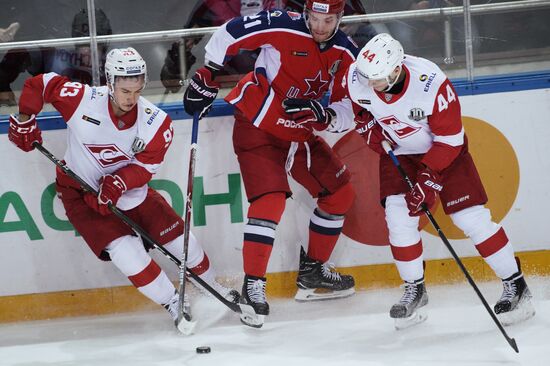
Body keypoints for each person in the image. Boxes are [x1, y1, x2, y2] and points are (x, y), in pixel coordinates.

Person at [7, 47, 239, 334]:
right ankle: (172, 302)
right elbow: (38, 84)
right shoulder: (82, 100)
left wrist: (119, 183)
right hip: (79, 192)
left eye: (137, 90)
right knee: (125, 253)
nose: (131, 99)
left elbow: (147, 165)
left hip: (131, 192)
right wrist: (25, 117)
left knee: (180, 242)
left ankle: (211, 285)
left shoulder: (155, 122)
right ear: (109, 82)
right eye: (125, 90)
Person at [333, 33, 534, 328]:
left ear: (396, 70)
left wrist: (429, 178)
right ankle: (414, 289)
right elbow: (358, 107)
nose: (369, 83)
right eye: (367, 77)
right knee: (399, 220)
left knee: (471, 219)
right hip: (401, 155)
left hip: (443, 152)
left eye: (376, 79)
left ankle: (516, 285)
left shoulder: (430, 84)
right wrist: (366, 125)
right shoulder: (358, 77)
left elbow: (450, 141)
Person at [182, 0, 359, 328]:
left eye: (329, 20)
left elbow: (350, 103)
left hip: (299, 134)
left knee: (341, 193)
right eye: (315, 18)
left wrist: (328, 114)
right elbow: (230, 32)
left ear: (340, 18)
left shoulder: (347, 52)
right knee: (271, 201)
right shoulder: (283, 24)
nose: (320, 26)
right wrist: (209, 72)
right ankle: (253, 286)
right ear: (306, 14)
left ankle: (312, 273)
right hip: (258, 124)